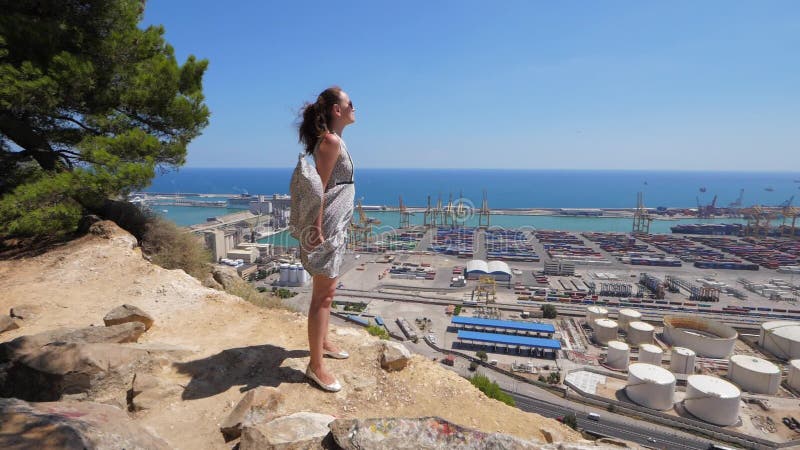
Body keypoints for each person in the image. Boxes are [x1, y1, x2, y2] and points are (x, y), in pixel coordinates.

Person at [296, 86, 356, 392]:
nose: (354, 107)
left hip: (336, 222)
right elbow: (319, 187)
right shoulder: (331, 142)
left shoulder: (336, 141)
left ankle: (323, 343)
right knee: (323, 295)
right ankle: (315, 366)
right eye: (350, 103)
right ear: (336, 109)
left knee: (328, 292)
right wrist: (318, 227)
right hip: (327, 226)